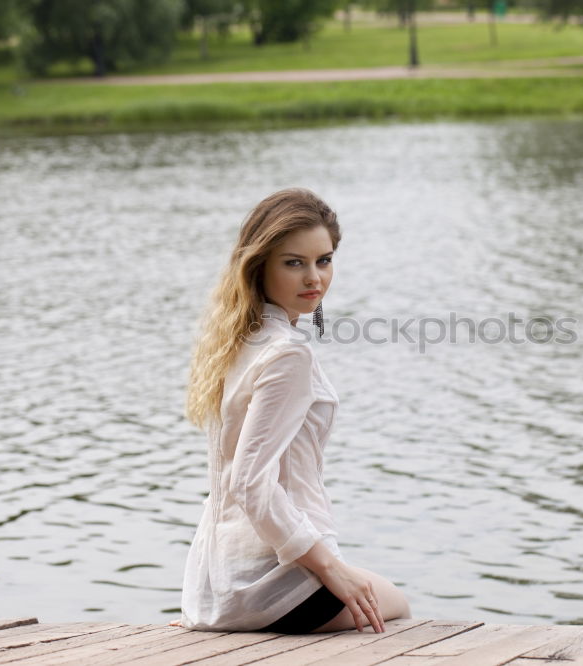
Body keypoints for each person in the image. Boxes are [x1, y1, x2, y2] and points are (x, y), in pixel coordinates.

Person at [168, 188, 411, 634]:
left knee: (376, 596)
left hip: (219, 584)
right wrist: (332, 568)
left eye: (324, 260)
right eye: (293, 262)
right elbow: (247, 482)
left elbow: (228, 482)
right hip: (274, 587)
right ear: (260, 265)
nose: (314, 278)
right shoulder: (287, 355)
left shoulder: (235, 340)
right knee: (397, 605)